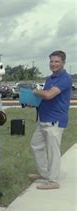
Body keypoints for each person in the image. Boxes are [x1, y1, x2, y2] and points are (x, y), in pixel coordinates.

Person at [30, 50, 72, 190]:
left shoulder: (65, 78)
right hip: (44, 118)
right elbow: (44, 98)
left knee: (52, 150)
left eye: (57, 61)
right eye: (52, 61)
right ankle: (45, 174)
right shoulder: (50, 78)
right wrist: (33, 100)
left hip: (55, 120)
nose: (53, 64)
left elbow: (48, 95)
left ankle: (53, 181)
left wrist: (35, 92)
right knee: (36, 145)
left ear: (63, 63)